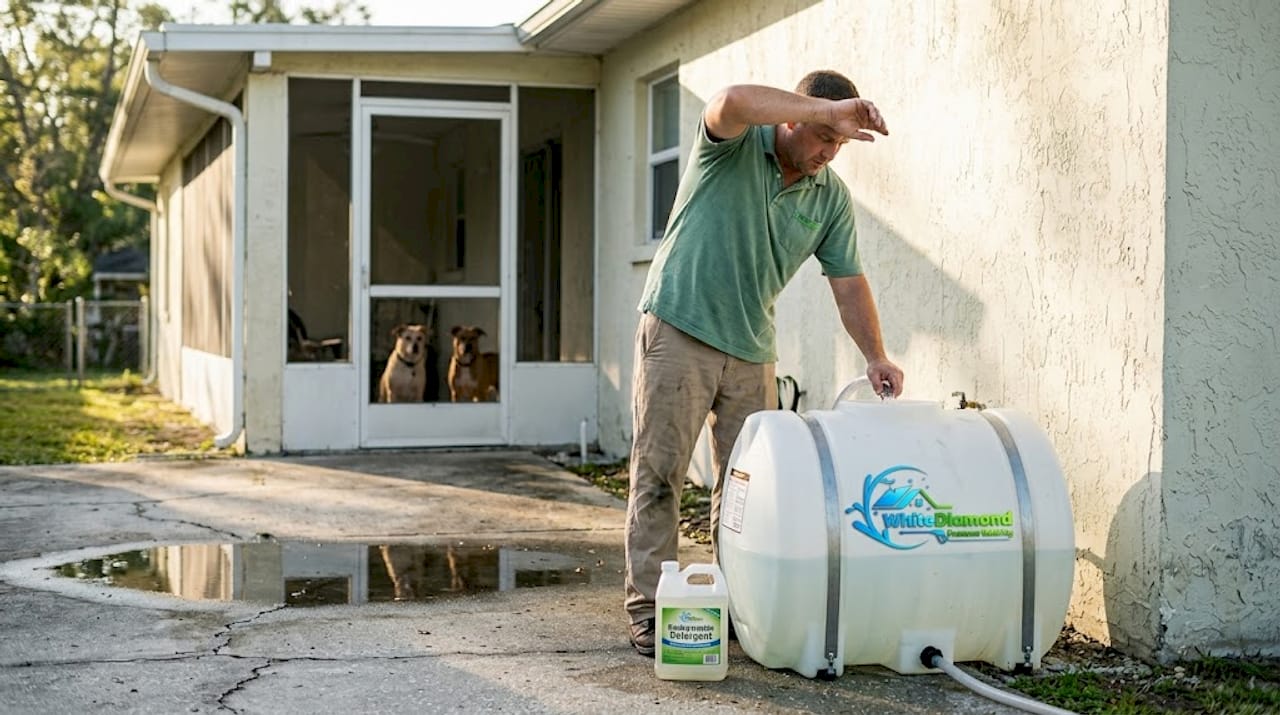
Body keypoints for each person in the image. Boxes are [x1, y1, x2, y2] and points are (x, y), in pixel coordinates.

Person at [624, 70, 905, 656]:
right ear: (794, 118)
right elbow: (730, 101)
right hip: (679, 327)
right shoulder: (732, 145)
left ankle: (738, 604)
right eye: (824, 137)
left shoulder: (829, 198)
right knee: (660, 474)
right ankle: (649, 608)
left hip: (752, 350)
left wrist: (875, 355)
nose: (829, 153)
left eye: (840, 144)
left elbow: (848, 283)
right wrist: (829, 111)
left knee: (747, 490)